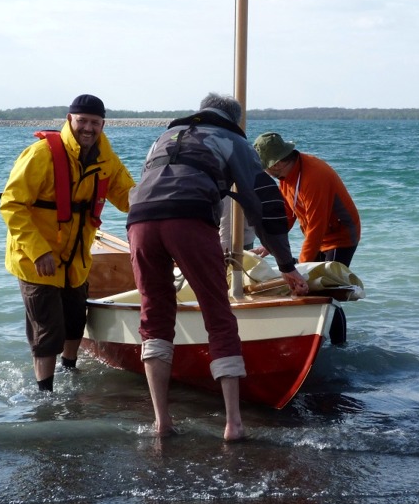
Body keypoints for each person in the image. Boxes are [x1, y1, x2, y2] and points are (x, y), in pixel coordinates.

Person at [126, 93, 308, 441]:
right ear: (236, 120)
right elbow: (263, 202)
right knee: (218, 316)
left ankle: (161, 422)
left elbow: (145, 186)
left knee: (155, 316)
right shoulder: (232, 139)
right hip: (190, 217)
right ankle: (233, 425)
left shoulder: (163, 138)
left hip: (140, 222)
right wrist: (287, 265)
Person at [0, 94, 135, 392]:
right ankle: (45, 395)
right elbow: (12, 205)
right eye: (82, 121)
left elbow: (128, 198)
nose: (88, 128)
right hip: (36, 259)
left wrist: (164, 196)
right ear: (69, 119)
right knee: (48, 331)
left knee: (76, 321)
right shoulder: (40, 155)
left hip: (76, 259)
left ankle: (70, 375)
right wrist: (39, 251)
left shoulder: (106, 158)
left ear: (103, 125)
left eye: (95, 123)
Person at [253, 132, 360, 344]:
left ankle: (339, 344)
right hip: (317, 233)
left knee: (327, 291)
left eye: (266, 166)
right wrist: (269, 245)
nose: (265, 171)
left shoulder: (314, 177)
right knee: (312, 289)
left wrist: (300, 269)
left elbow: (316, 227)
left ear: (278, 163)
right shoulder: (287, 176)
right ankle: (318, 337)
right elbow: (288, 212)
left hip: (340, 236)